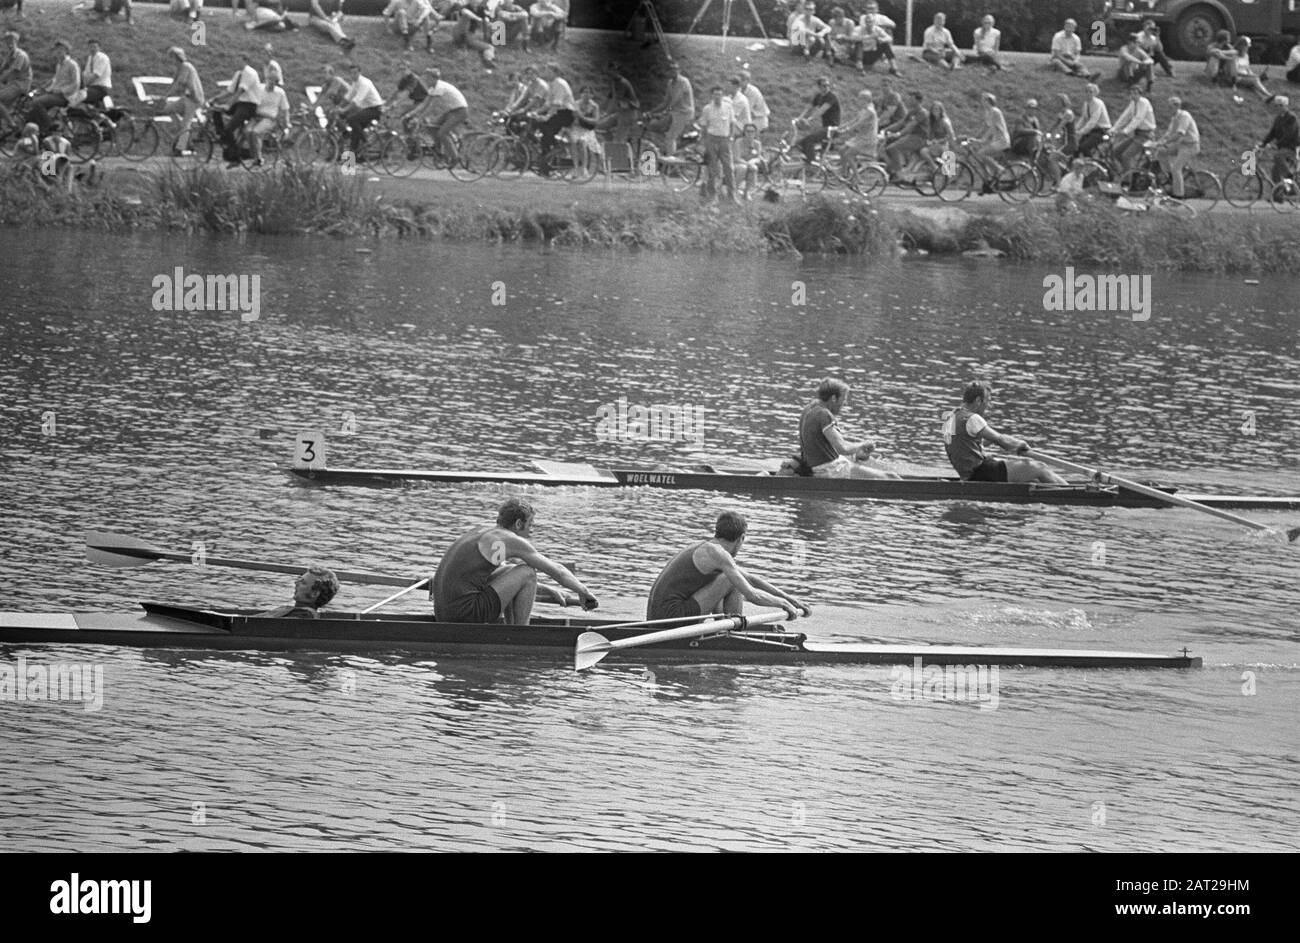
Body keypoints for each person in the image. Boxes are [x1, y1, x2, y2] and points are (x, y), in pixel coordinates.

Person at [431, 498, 596, 625]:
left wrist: (549, 590)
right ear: (518, 523)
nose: (531, 531)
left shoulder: (483, 534)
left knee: (510, 569)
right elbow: (557, 571)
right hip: (465, 615)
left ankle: (510, 627)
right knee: (528, 573)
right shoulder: (508, 540)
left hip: (444, 615)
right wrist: (584, 592)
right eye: (530, 525)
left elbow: (496, 577)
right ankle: (520, 633)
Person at [646, 511, 808, 623]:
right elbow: (752, 595)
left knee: (729, 577)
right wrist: (783, 604)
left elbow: (751, 579)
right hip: (671, 618)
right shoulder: (719, 554)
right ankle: (732, 634)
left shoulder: (709, 548)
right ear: (741, 538)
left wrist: (791, 599)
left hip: (659, 618)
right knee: (730, 580)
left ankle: (725, 627)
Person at [942, 381, 1066, 484]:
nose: (988, 405)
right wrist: (1020, 444)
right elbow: (1002, 441)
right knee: (1039, 467)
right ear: (979, 400)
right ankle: (1072, 492)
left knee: (1031, 477)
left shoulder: (950, 418)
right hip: (982, 472)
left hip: (968, 474)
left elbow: (964, 445)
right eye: (988, 401)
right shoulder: (972, 418)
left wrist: (990, 441)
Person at [798, 379, 899, 480]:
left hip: (816, 467)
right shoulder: (824, 414)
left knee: (858, 461)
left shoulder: (808, 409)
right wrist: (863, 445)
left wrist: (856, 453)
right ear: (833, 398)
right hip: (830, 470)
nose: (845, 403)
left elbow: (825, 445)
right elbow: (843, 448)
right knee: (891, 477)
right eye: (844, 399)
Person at [209, 52, 261, 163]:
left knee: (229, 128)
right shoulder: (238, 74)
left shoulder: (250, 73)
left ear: (245, 61)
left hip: (249, 106)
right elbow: (230, 90)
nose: (235, 62)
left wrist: (228, 105)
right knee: (216, 110)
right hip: (240, 104)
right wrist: (215, 99)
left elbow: (239, 91)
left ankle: (234, 154)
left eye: (238, 60)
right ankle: (223, 137)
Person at [27, 39, 79, 136]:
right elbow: (55, 80)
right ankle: (32, 131)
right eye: (57, 50)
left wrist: (61, 91)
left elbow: (75, 84)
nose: (59, 52)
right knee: (32, 103)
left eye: (61, 49)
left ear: (66, 51)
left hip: (65, 96)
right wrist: (43, 88)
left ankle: (49, 126)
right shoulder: (59, 65)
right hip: (55, 94)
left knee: (37, 102)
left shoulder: (72, 65)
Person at [695, 85, 737, 204]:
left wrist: (731, 137)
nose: (717, 97)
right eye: (715, 94)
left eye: (719, 94)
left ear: (722, 95)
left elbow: (732, 123)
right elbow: (703, 125)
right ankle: (713, 196)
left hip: (725, 140)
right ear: (712, 96)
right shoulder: (707, 109)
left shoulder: (728, 107)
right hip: (712, 140)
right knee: (712, 169)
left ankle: (732, 195)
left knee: (729, 168)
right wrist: (703, 141)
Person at [159, 46, 204, 156]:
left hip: (194, 98)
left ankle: (180, 148)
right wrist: (165, 95)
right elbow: (174, 82)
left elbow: (180, 83)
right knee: (168, 108)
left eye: (171, 57)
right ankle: (187, 141)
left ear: (176, 57)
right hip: (186, 97)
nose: (170, 60)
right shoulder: (179, 67)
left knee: (185, 123)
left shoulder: (185, 66)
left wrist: (167, 95)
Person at [1153, 96, 1199, 198]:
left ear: (1177, 106)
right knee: (1160, 152)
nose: (1168, 110)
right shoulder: (1175, 117)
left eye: (1170, 107)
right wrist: (1158, 142)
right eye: (1167, 107)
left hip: (1190, 146)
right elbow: (1169, 133)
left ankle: (1178, 195)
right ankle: (1171, 178)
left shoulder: (1184, 116)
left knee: (1176, 169)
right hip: (1181, 144)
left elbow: (1179, 134)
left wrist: (1165, 142)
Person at [256, 566, 340, 619]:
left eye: (303, 582)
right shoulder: (293, 611)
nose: (296, 583)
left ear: (314, 593)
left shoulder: (304, 615)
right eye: (299, 580)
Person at [423, 67, 468, 164]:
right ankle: (440, 152)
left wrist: (420, 117)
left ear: (433, 78)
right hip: (451, 111)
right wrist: (412, 114)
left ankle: (455, 157)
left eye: (427, 78)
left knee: (442, 133)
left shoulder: (440, 86)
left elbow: (432, 106)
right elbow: (425, 104)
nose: (425, 80)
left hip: (460, 111)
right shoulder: (432, 88)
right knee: (431, 127)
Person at [340, 61, 383, 158]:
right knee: (354, 134)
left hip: (375, 109)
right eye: (351, 73)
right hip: (367, 109)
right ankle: (352, 162)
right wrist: (338, 107)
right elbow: (348, 97)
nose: (353, 75)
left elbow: (356, 101)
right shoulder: (355, 83)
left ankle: (366, 141)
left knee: (351, 119)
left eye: (355, 72)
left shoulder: (364, 83)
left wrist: (344, 110)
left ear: (360, 72)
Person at [793, 75, 839, 163]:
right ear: (819, 87)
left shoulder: (831, 97)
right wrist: (799, 118)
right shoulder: (819, 96)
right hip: (825, 127)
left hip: (832, 128)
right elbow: (809, 107)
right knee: (800, 143)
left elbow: (822, 110)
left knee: (808, 141)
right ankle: (812, 158)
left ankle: (812, 163)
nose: (826, 87)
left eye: (828, 85)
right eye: (824, 86)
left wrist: (809, 119)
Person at [1110, 85, 1156, 173]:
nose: (1133, 95)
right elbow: (1125, 116)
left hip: (1146, 135)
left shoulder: (1144, 103)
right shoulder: (1133, 103)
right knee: (1116, 152)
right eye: (1131, 93)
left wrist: (1125, 131)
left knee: (1126, 156)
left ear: (1140, 94)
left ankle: (1128, 181)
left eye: (1135, 93)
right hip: (1137, 134)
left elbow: (1138, 119)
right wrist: (1114, 129)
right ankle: (1127, 172)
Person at [247, 72, 289, 166]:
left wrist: (287, 121)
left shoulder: (280, 93)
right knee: (247, 130)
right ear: (266, 80)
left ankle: (258, 158)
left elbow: (285, 108)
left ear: (276, 83)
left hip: (269, 118)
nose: (271, 83)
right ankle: (253, 154)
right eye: (269, 80)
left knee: (256, 132)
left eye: (273, 82)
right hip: (256, 116)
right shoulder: (260, 89)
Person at [1258, 95, 1299, 190]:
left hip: (1292, 148)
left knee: (1278, 156)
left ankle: (1290, 176)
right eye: (1276, 105)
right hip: (1283, 147)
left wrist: (1276, 145)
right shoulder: (1278, 118)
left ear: (1285, 106)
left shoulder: (1291, 118)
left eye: (1280, 105)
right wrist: (1263, 143)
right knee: (1275, 171)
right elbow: (1272, 133)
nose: (1277, 108)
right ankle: (1279, 196)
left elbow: (1289, 135)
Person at [654, 61, 693, 158]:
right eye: (670, 70)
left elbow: (676, 99)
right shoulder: (670, 83)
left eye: (675, 70)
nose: (673, 72)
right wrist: (652, 111)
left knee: (670, 137)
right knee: (656, 126)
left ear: (678, 70)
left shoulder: (683, 82)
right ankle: (666, 153)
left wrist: (666, 110)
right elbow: (666, 101)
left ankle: (673, 166)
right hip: (675, 112)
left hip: (684, 113)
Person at [884, 89, 925, 178]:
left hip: (920, 138)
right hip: (911, 136)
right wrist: (885, 130)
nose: (909, 100)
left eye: (912, 99)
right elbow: (901, 123)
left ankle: (900, 174)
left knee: (893, 148)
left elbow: (911, 125)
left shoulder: (922, 113)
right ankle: (896, 171)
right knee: (889, 147)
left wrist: (899, 134)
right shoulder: (911, 112)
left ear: (918, 101)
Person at [534, 61, 573, 151]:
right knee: (538, 123)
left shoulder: (559, 83)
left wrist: (547, 116)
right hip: (558, 111)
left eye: (548, 71)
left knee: (548, 130)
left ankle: (559, 149)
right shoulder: (551, 84)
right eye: (545, 71)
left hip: (567, 113)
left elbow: (557, 103)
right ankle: (545, 156)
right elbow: (548, 104)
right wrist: (535, 112)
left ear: (554, 72)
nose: (546, 73)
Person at [836, 89, 878, 167]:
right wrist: (839, 127)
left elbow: (858, 124)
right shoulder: (864, 109)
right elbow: (853, 120)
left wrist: (845, 130)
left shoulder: (870, 111)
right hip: (861, 137)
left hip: (867, 139)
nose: (858, 101)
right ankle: (844, 174)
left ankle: (857, 178)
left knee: (848, 155)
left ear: (865, 100)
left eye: (859, 99)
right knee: (841, 150)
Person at [856, 0, 899, 76]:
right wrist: (872, 34)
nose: (870, 11)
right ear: (865, 10)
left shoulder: (881, 18)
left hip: (875, 43)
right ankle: (860, 68)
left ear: (877, 9)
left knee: (885, 41)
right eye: (868, 8)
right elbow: (864, 28)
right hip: (865, 45)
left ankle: (894, 68)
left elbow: (893, 25)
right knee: (859, 42)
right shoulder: (863, 18)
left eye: (872, 8)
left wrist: (880, 30)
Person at [0, 32, 32, 127]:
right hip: (12, 83)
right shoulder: (10, 55)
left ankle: (11, 124)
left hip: (20, 85)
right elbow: (2, 68)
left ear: (16, 42)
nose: (9, 44)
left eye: (11, 41)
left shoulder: (21, 55)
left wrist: (1, 78)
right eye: (7, 41)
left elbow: (13, 72)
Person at [570, 85, 601, 177]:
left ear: (592, 95)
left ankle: (583, 168)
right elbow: (573, 117)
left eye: (588, 92)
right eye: (584, 92)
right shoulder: (576, 104)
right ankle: (575, 166)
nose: (586, 94)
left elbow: (595, 120)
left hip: (587, 130)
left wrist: (583, 118)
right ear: (581, 94)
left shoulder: (594, 106)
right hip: (576, 128)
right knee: (573, 141)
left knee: (582, 142)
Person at [1074, 83, 1110, 158]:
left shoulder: (1097, 104)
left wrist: (1081, 132)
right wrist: (1075, 129)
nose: (1088, 93)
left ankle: (1091, 165)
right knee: (1076, 147)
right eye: (1086, 91)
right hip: (1092, 130)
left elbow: (1092, 121)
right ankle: (1073, 166)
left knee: (1084, 147)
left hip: (1102, 131)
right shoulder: (1086, 103)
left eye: (1091, 92)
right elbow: (1083, 118)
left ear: (1095, 93)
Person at [733, 121, 764, 199]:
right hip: (737, 164)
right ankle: (734, 190)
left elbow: (758, 157)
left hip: (749, 164)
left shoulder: (757, 144)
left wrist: (752, 162)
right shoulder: (738, 141)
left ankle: (747, 192)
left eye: (752, 131)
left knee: (754, 168)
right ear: (744, 132)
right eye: (748, 131)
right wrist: (747, 163)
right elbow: (736, 158)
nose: (750, 133)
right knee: (743, 168)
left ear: (755, 133)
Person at [80, 39, 111, 112]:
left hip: (100, 88)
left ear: (99, 48)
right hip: (92, 87)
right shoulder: (90, 57)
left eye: (95, 47)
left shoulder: (102, 58)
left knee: (79, 96)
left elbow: (96, 75)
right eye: (90, 47)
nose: (92, 49)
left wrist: (83, 85)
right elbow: (85, 73)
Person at [738, 68, 768, 133]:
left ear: (748, 81)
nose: (740, 82)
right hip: (748, 117)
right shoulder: (739, 90)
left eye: (743, 80)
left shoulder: (753, 92)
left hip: (758, 119)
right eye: (739, 80)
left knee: (737, 129)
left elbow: (747, 110)